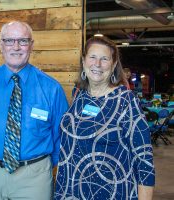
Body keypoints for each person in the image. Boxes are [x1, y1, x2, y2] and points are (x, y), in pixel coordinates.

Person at [0, 21, 69, 200]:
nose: (16, 47)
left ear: (31, 45)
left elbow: (61, 134)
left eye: (23, 41)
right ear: (1, 46)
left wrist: (43, 166)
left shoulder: (51, 88)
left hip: (35, 177)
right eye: (9, 41)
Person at [54, 36, 155, 200]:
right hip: (70, 192)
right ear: (84, 60)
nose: (97, 64)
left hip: (110, 192)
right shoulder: (78, 95)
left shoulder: (126, 101)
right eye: (92, 57)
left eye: (104, 59)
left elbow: (144, 161)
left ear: (114, 64)